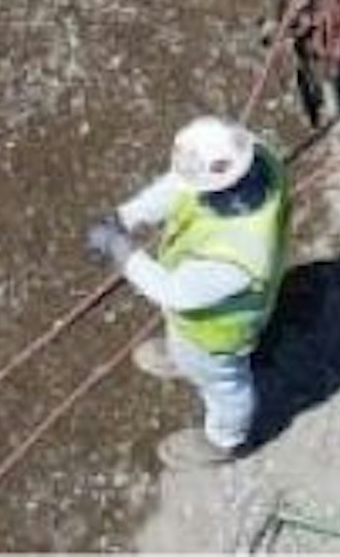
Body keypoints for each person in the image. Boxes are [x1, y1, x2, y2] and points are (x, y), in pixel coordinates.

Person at [89, 116, 288, 469]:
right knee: (187, 347)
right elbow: (177, 187)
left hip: (217, 332)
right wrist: (126, 216)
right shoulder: (251, 156)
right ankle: (183, 358)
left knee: (224, 383)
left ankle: (224, 439)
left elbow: (171, 290)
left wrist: (120, 249)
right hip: (200, 317)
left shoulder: (239, 252)